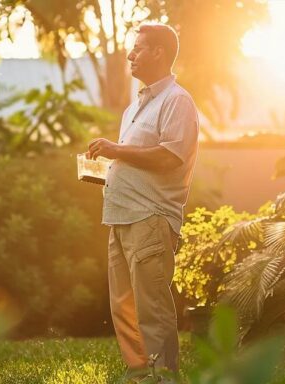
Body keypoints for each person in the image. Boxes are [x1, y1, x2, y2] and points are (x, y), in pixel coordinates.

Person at [85, 22, 199, 382]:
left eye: (138, 48)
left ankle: (164, 378)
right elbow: (137, 160)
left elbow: (169, 157)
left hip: (151, 218)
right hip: (121, 217)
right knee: (124, 307)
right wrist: (108, 169)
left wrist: (117, 150)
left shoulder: (177, 101)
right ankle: (140, 376)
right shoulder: (136, 106)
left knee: (151, 308)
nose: (131, 55)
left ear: (159, 53)